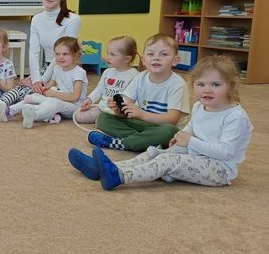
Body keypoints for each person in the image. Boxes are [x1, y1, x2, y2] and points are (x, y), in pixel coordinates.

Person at [69, 55, 253, 190]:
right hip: (196, 153)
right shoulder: (200, 106)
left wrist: (190, 141)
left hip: (219, 169)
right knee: (155, 152)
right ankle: (102, 168)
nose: (207, 90)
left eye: (215, 85)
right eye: (201, 84)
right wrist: (181, 136)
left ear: (231, 86)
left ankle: (120, 176)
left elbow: (226, 152)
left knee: (166, 160)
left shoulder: (235, 117)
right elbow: (192, 127)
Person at [88, 33, 189, 151]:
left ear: (175, 60)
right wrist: (117, 109)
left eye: (164, 54)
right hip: (142, 124)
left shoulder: (177, 84)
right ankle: (143, 141)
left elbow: (172, 119)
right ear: (144, 59)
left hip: (163, 127)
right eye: (151, 54)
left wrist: (142, 114)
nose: (156, 58)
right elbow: (124, 111)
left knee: (169, 131)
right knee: (103, 118)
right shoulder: (140, 78)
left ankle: (124, 143)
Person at [0, 36, 87, 128]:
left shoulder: (79, 72)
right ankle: (10, 111)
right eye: (57, 54)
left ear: (75, 55)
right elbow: (51, 84)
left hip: (74, 106)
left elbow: (75, 97)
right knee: (36, 96)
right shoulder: (57, 68)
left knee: (56, 103)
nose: (60, 57)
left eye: (65, 54)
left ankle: (35, 114)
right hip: (59, 98)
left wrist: (53, 93)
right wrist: (44, 89)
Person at [24, 0, 81, 85]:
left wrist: (43, 81)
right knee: (17, 91)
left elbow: (62, 54)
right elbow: (34, 52)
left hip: (65, 70)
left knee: (39, 94)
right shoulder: (36, 19)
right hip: (46, 68)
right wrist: (36, 80)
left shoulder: (73, 20)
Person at [74, 36, 140, 124]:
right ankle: (104, 121)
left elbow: (135, 99)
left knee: (104, 121)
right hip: (102, 108)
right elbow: (99, 89)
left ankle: (107, 122)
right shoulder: (108, 72)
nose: (107, 57)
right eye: (108, 53)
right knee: (79, 116)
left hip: (118, 113)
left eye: (112, 54)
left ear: (126, 59)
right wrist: (90, 99)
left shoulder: (135, 75)